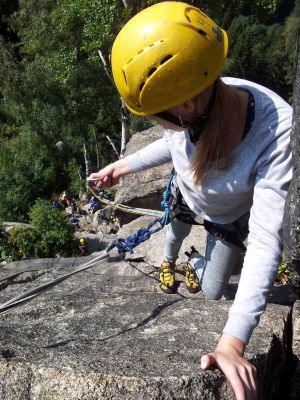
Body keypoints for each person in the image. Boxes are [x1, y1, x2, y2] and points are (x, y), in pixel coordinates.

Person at [88, 2, 292, 399]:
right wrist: (124, 166)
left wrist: (232, 343)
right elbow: (170, 145)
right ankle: (170, 260)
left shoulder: (275, 134)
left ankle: (196, 262)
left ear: (184, 108)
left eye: (153, 116)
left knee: (214, 290)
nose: (155, 124)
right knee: (173, 235)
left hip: (227, 220)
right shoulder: (196, 93)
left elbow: (267, 239)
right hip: (185, 196)